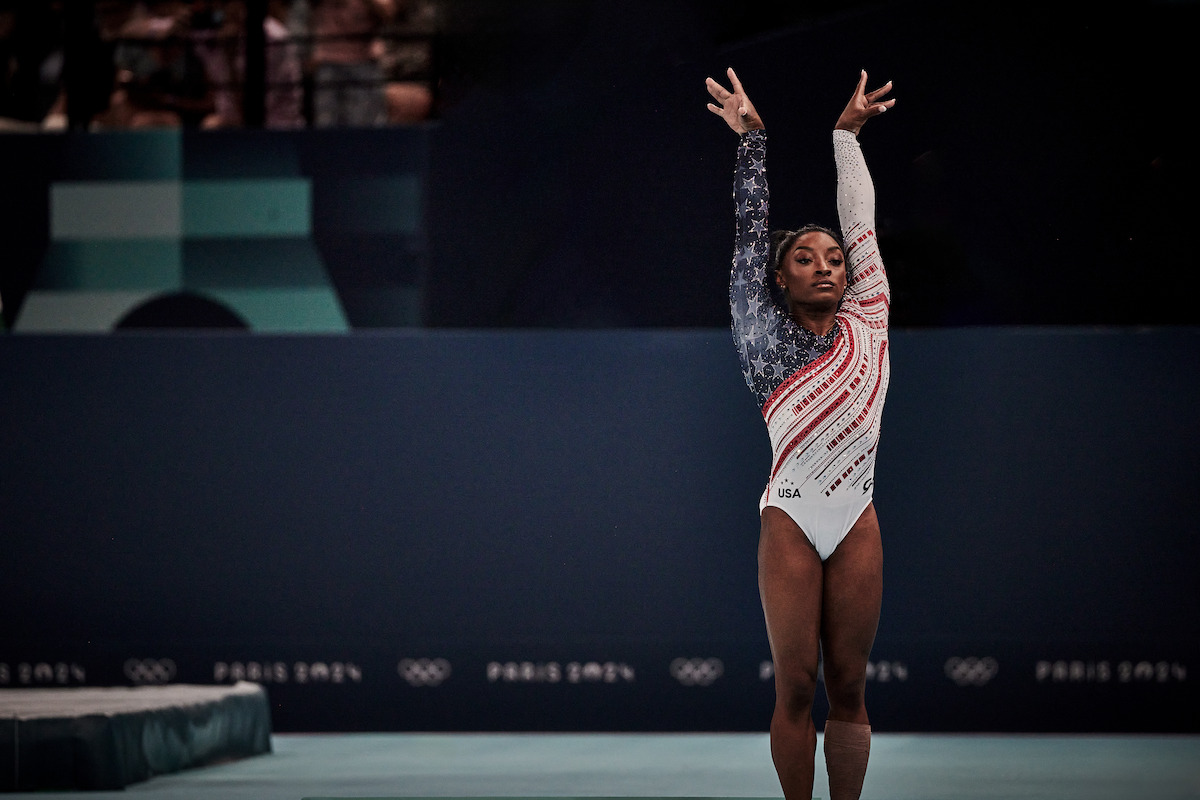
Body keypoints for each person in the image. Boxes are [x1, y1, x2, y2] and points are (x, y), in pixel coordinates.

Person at [705, 67, 895, 800]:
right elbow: (750, 234)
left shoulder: (868, 315)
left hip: (856, 516)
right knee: (796, 686)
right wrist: (752, 140)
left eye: (835, 259)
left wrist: (846, 137)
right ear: (778, 279)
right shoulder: (763, 336)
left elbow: (860, 218)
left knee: (849, 684)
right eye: (805, 259)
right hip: (790, 515)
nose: (826, 267)